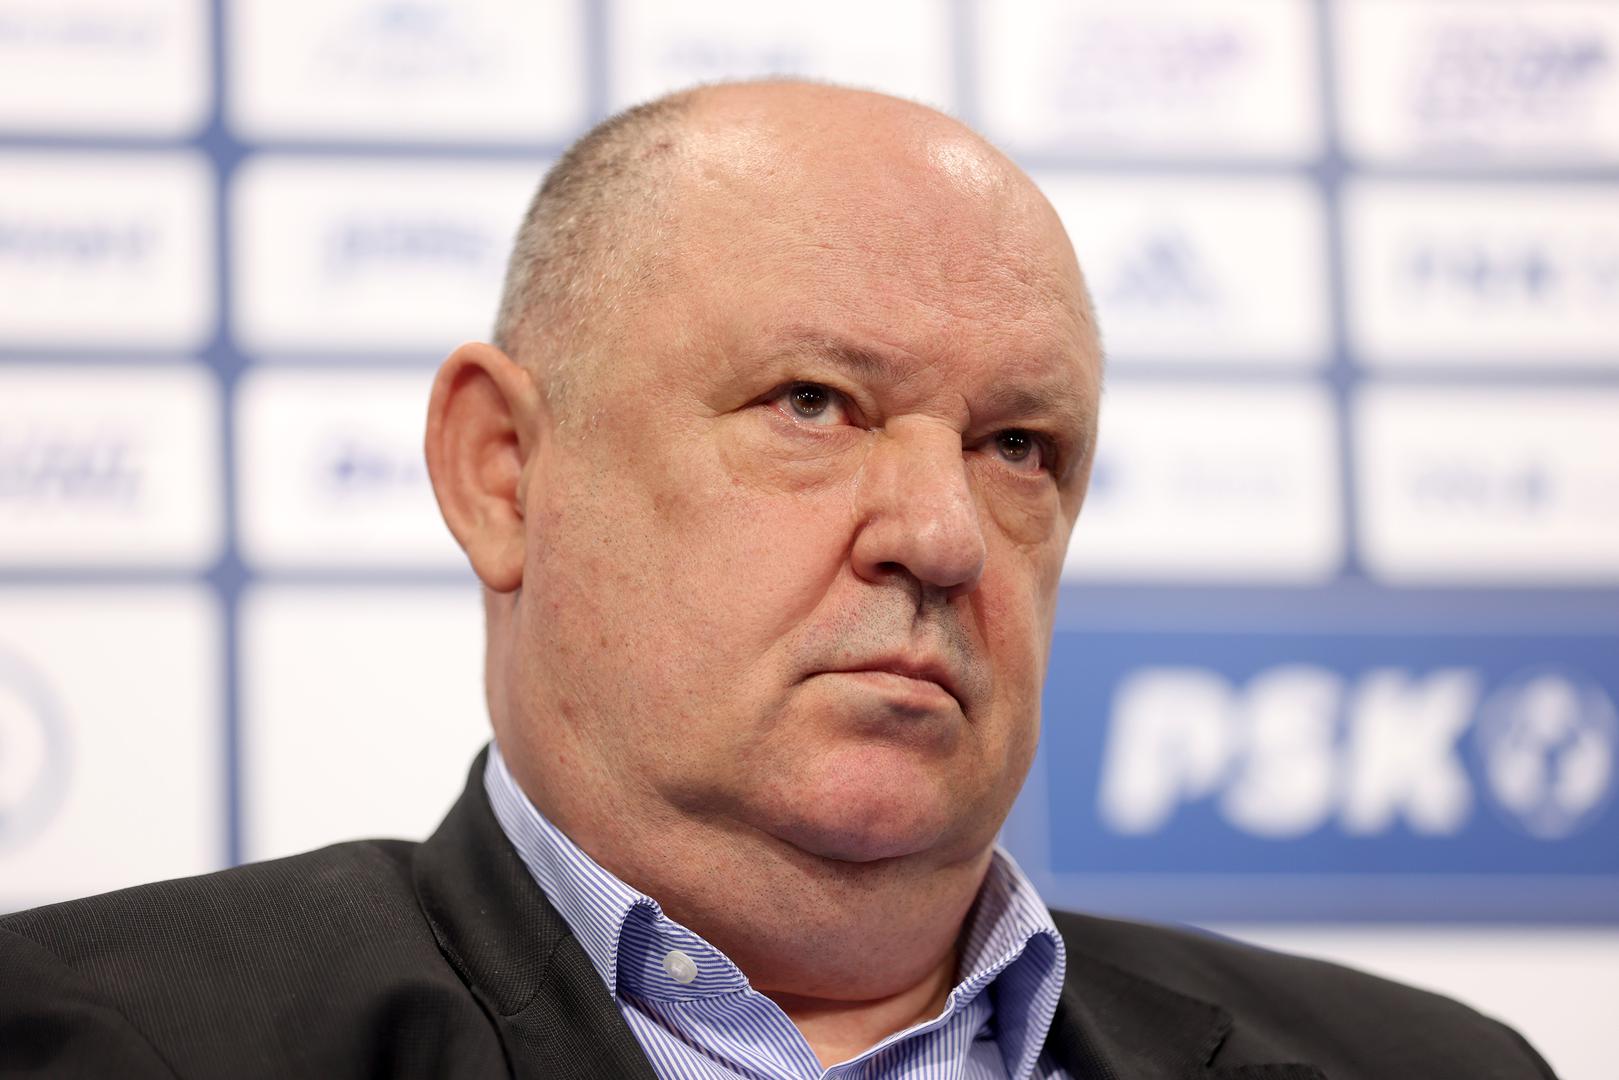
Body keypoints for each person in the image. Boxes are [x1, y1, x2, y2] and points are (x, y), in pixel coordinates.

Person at [0, 81, 1555, 1080]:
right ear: (503, 474)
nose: (941, 535)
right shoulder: (110, 1040)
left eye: (1018, 446)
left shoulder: (1431, 1068)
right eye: (813, 405)